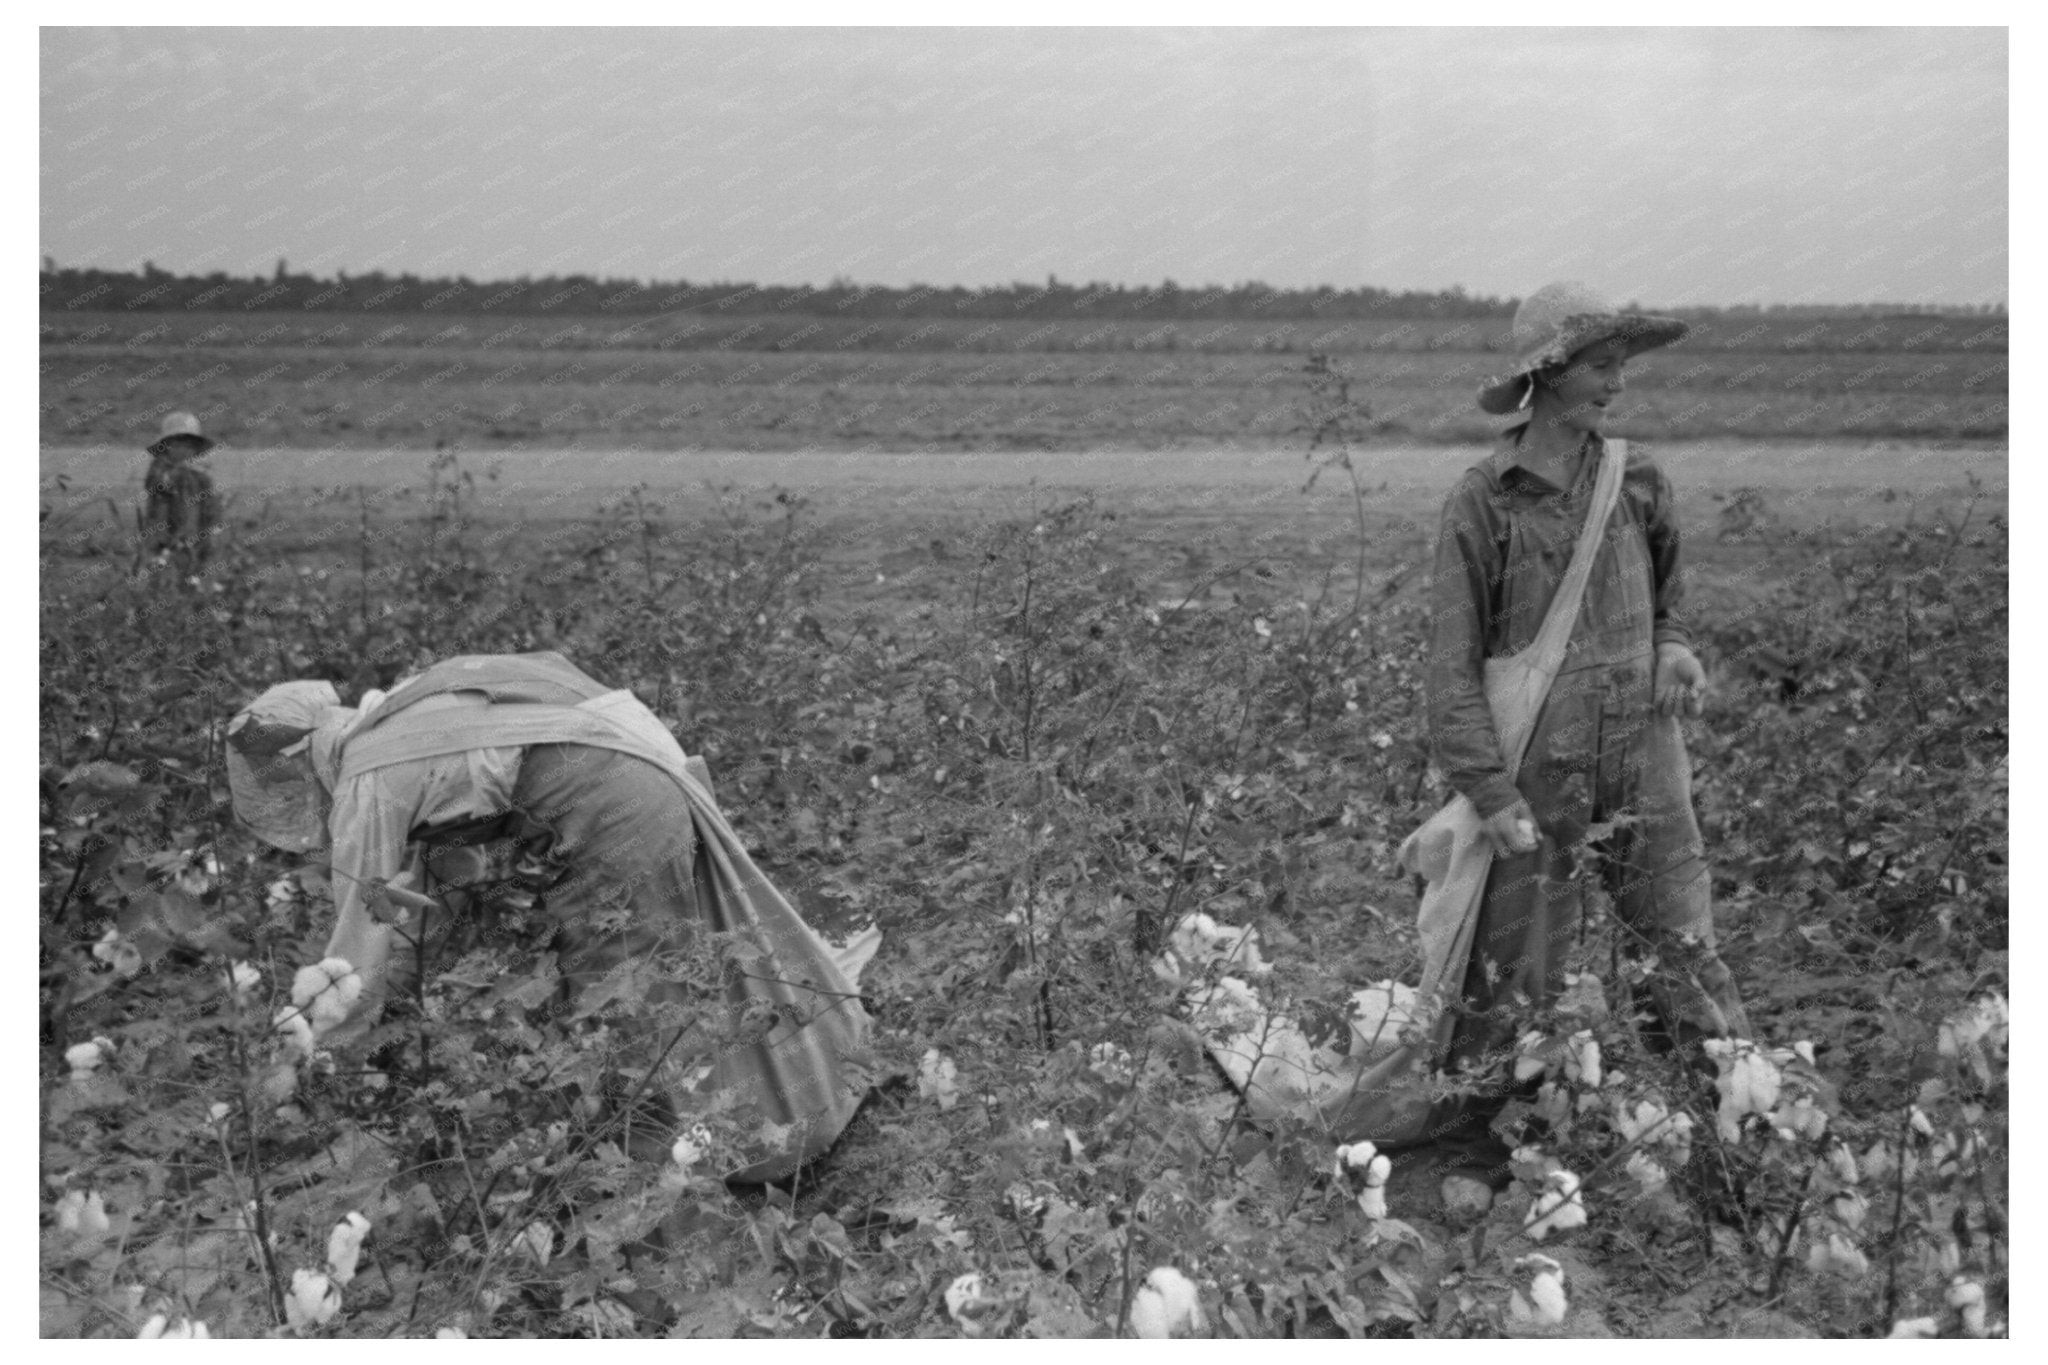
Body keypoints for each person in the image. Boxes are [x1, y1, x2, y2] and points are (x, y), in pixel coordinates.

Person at [226, 650, 877, 1182]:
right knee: (673, 965)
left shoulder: (371, 774)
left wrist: (302, 1061)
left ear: (296, 764)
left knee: (623, 993)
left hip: (617, 803)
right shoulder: (402, 718)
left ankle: (676, 1169)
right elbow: (422, 893)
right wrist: (415, 966)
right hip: (642, 767)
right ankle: (738, 1111)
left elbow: (352, 963)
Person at [1419, 282, 1751, 1215]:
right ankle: (1489, 1161)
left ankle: (1738, 1147)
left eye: (1618, 364)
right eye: (1602, 364)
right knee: (1515, 973)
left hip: (1646, 764)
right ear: (1550, 375)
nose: (1616, 381)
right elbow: (1452, 667)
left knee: (1683, 951)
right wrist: (1488, 790)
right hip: (1537, 775)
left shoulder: (1636, 478)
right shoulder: (1484, 502)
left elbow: (1672, 599)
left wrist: (1675, 648)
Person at [142, 411, 222, 569]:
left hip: (193, 531)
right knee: (161, 564)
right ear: (166, 448)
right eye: (177, 445)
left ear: (195, 449)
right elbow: (155, 486)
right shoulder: (159, 469)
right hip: (164, 530)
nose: (183, 450)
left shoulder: (201, 477)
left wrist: (213, 527)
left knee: (192, 564)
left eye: (188, 446)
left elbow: (211, 505)